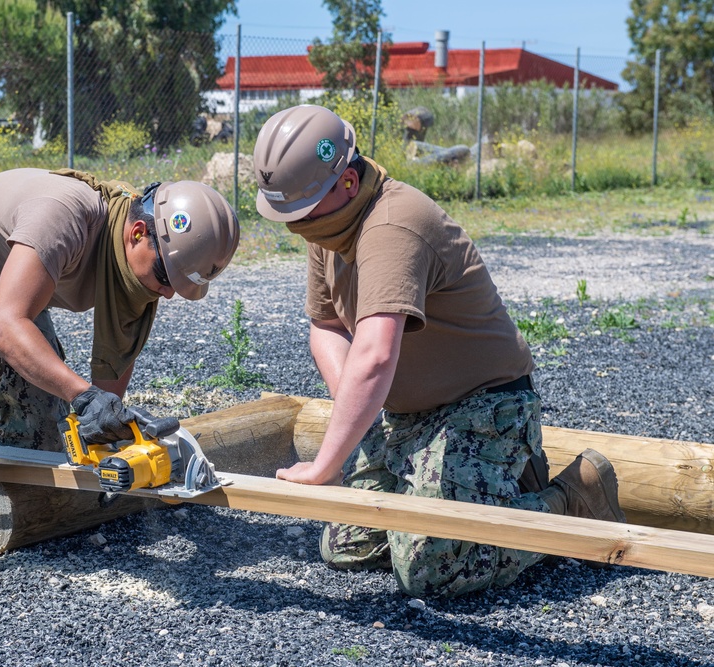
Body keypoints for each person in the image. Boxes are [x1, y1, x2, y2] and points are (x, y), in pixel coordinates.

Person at [252, 105, 625, 598]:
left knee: (436, 569)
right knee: (347, 546)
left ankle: (571, 497)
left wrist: (325, 464)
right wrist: (357, 419)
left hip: (482, 408)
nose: (293, 225)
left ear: (346, 182)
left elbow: (376, 355)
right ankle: (478, 501)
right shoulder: (327, 224)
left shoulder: (391, 226)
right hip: (408, 418)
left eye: (301, 211)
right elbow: (325, 326)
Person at [0, 168, 240, 588]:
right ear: (137, 233)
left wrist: (115, 435)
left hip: (2, 290)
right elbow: (4, 327)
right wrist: (82, 396)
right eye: (165, 277)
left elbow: (106, 388)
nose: (166, 292)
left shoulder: (136, 271)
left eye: (176, 287)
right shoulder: (65, 213)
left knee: (51, 444)